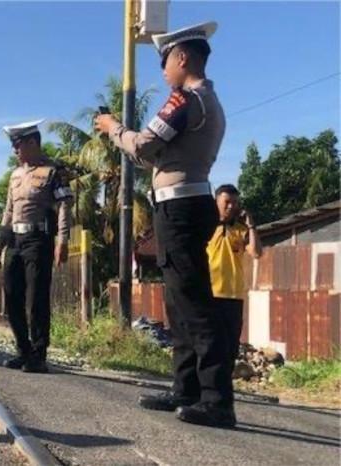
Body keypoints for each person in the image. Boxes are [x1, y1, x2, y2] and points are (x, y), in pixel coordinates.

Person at [95, 21, 236, 427]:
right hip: (185, 205)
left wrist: (112, 128)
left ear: (182, 57)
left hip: (181, 209)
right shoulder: (208, 101)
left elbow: (142, 146)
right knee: (178, 302)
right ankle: (186, 388)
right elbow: (156, 156)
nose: (163, 71)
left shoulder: (184, 100)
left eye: (165, 62)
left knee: (193, 303)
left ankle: (217, 400)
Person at [0, 120, 74, 373]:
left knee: (36, 297)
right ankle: (23, 350)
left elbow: (64, 206)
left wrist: (63, 240)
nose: (15, 150)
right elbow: (8, 212)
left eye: (18, 144)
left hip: (38, 239)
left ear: (32, 142)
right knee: (12, 294)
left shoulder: (54, 170)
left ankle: (38, 355)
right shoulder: (15, 175)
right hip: (15, 241)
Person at [208, 184, 262, 374]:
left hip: (233, 296)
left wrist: (251, 225)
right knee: (208, 342)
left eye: (235, 202)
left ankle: (224, 381)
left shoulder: (241, 230)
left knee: (230, 344)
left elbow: (256, 252)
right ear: (216, 202)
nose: (231, 206)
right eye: (227, 202)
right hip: (208, 294)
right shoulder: (206, 227)